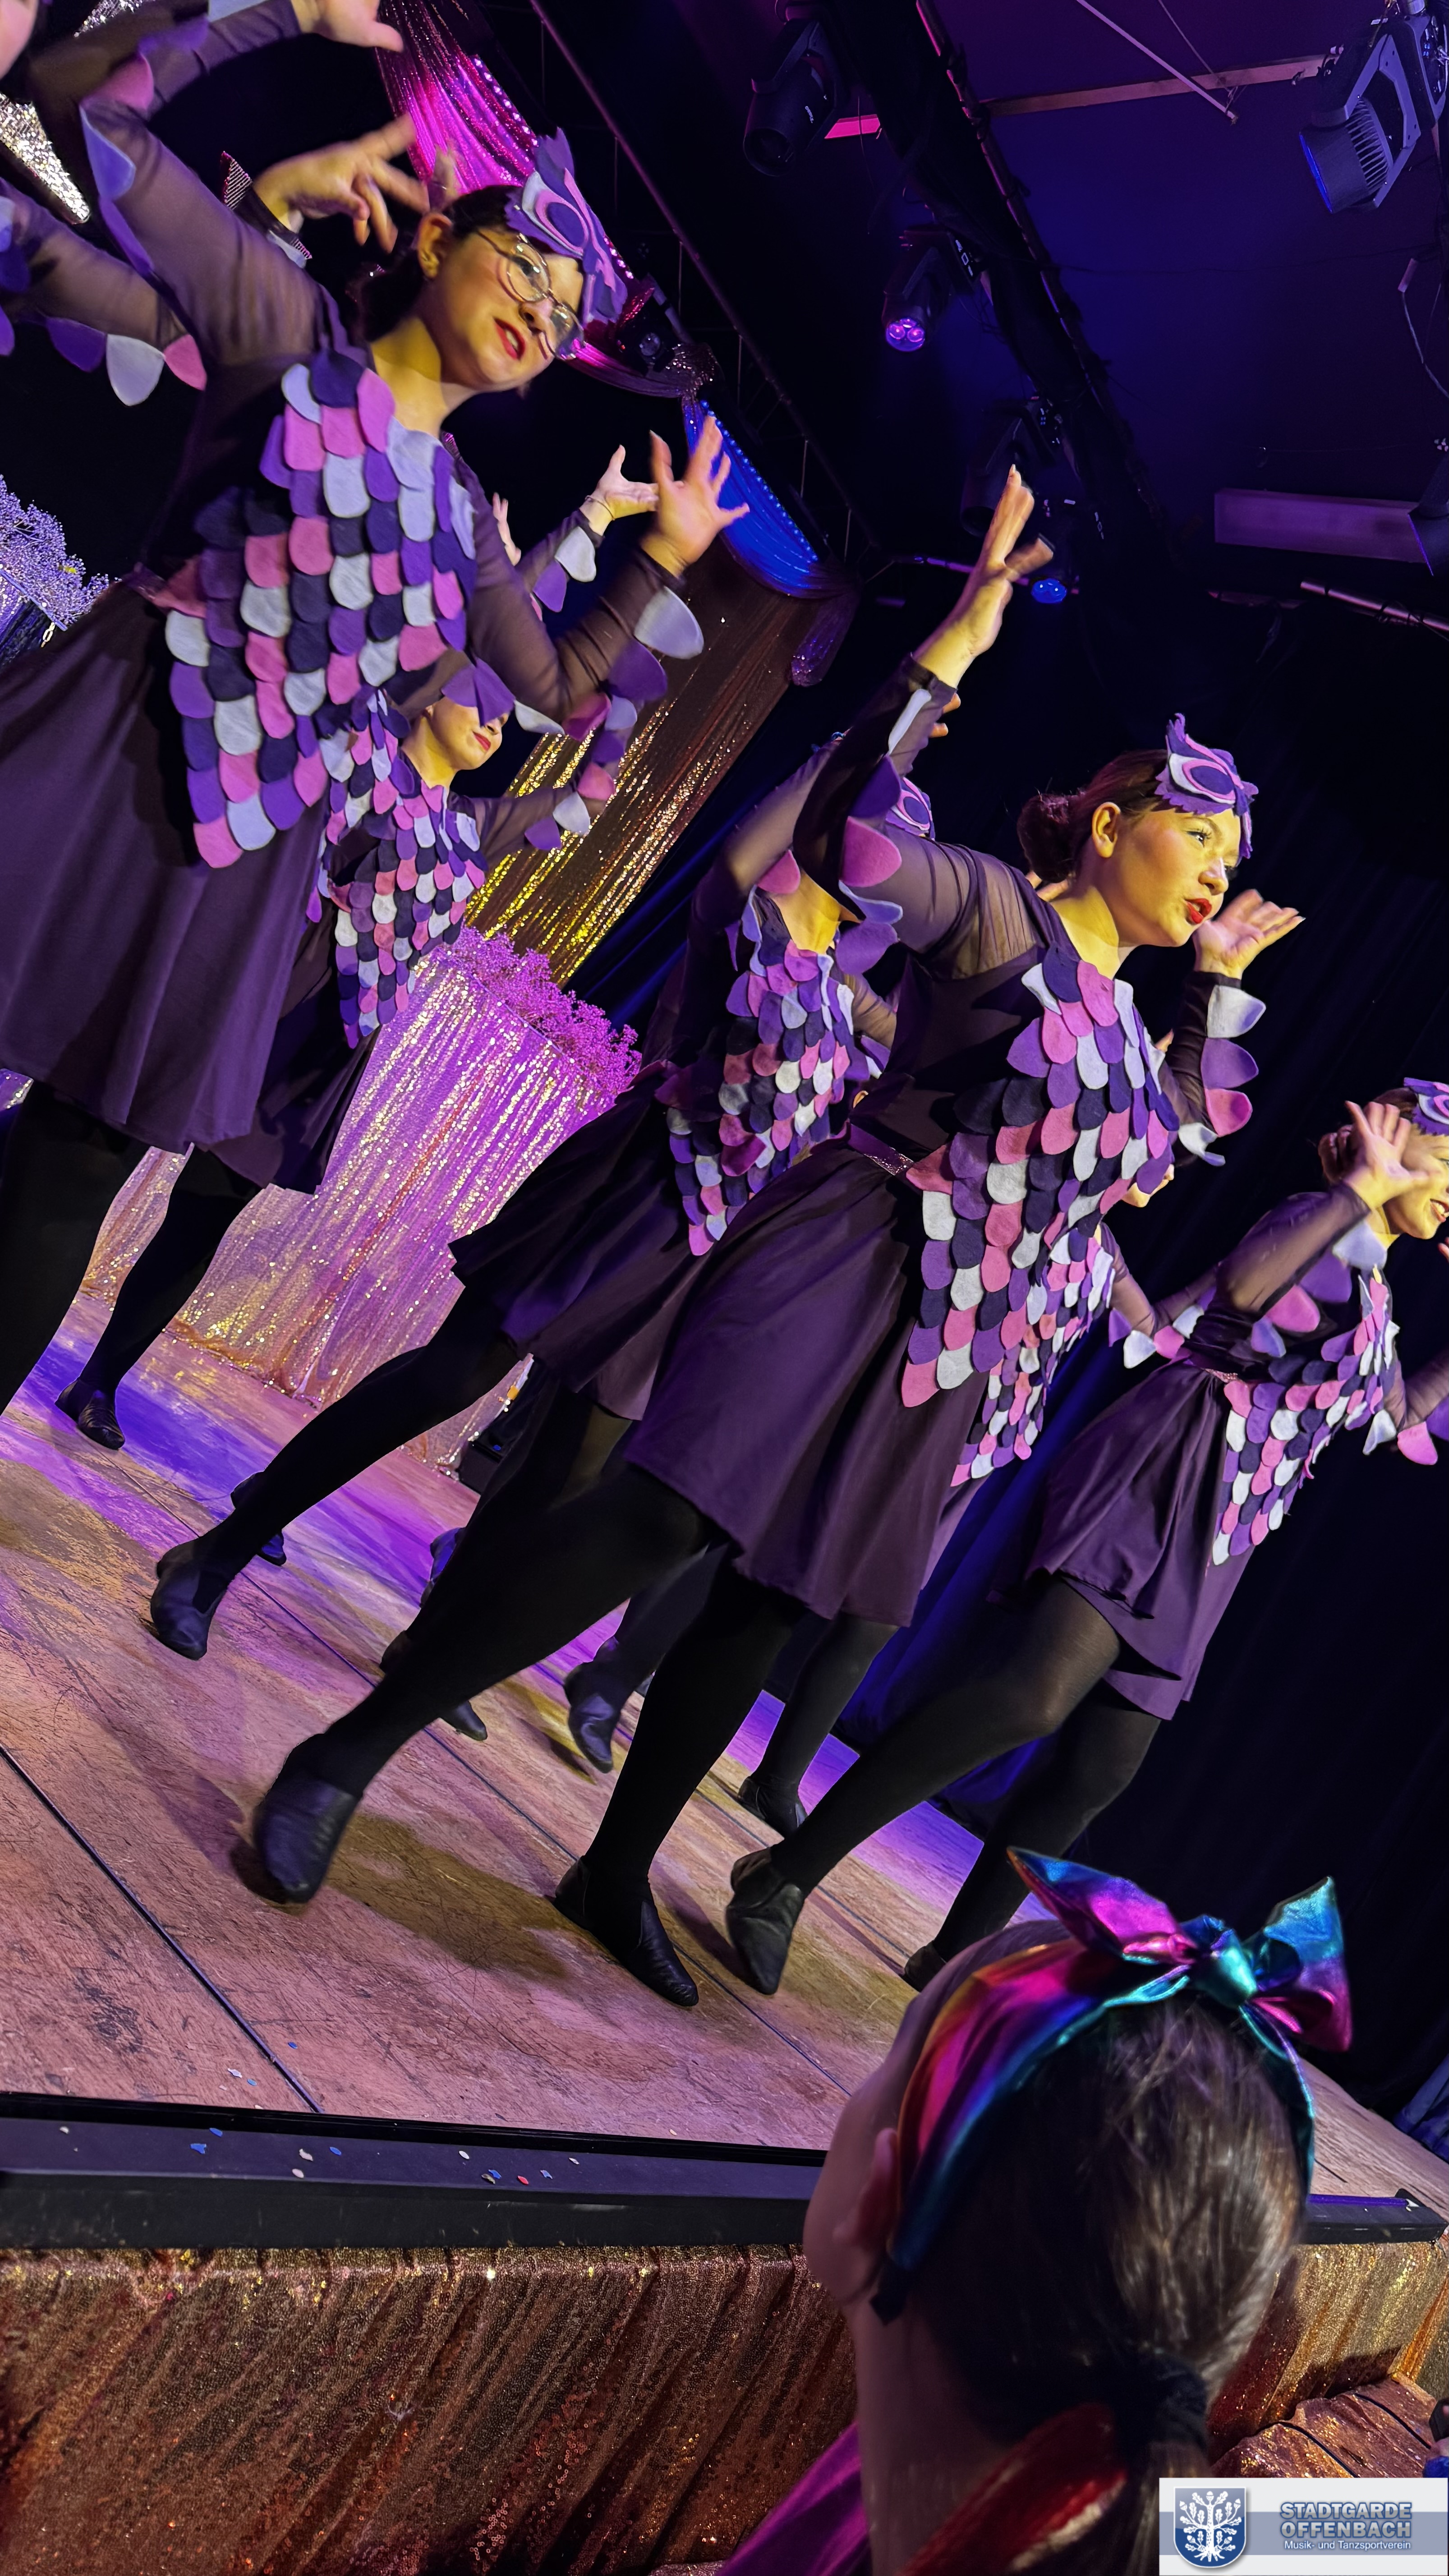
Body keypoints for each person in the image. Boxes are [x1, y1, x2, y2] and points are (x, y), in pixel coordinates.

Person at [236, 473, 1299, 1995]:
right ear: (1110, 821)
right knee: (657, 1520)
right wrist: (952, 645)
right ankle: (348, 1748)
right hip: (846, 1252)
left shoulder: (1136, 1039)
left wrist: (1212, 989)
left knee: (772, 1595)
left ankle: (615, 1865)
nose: (1215, 869)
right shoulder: (993, 909)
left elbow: (1186, 1129)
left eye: (1230, 856)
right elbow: (848, 839)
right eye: (1197, 835)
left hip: (950, 1345)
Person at [0, 0, 741, 1422]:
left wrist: (657, 555)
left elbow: (553, 687)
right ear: (432, 238)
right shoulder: (287, 332)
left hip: (241, 860)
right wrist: (268, 16)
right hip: (116, 737)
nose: (540, 312)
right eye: (524, 265)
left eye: (566, 316)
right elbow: (87, 108)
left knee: (72, 1169)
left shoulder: (464, 523)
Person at [147, 720, 900, 1672]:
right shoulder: (750, 929)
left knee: (570, 1462)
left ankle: (437, 1643)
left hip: (700, 1240)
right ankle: (218, 1551)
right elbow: (738, 863)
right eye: (877, 838)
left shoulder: (844, 999)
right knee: (453, 1374)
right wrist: (862, 737)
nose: (891, 869)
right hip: (629, 1182)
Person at [726, 1091, 1449, 1996]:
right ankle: (784, 1873)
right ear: (1397, 1142)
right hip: (1161, 1470)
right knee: (1029, 1699)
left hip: (1220, 1533)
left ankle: (953, 1958)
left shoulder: (1376, 1291)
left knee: (1099, 1766)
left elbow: (1396, 1418)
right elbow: (1243, 1291)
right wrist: (1351, 1194)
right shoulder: (1315, 1218)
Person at [52, 451, 657, 1458]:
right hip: (248, 981)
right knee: (89, 1144)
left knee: (203, 1216)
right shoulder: (367, 754)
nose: (495, 717)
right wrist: (586, 521)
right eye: (480, 699)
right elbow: (491, 634)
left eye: (504, 713)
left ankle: (101, 1379)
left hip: (322, 1037)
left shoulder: (476, 827)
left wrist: (617, 717)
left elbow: (584, 802)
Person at [716, 1852, 1342, 2576]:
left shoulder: (905, 2481)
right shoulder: (1170, 2527)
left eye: (894, 2049)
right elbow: (1392, 2532)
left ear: (877, 2202)